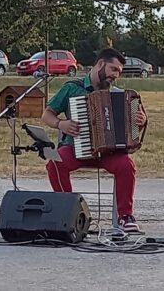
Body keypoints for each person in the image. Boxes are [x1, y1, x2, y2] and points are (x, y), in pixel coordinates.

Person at [41, 48, 147, 232]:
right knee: (55, 163)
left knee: (126, 165)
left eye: (119, 72)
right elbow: (46, 115)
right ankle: (68, 211)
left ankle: (125, 216)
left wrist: (141, 120)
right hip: (76, 148)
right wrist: (61, 124)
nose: (116, 75)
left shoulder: (120, 95)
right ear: (100, 64)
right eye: (113, 69)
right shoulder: (72, 88)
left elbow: (135, 123)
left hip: (109, 151)